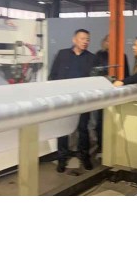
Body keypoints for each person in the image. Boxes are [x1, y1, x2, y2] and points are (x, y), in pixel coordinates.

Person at [48, 28, 96, 173]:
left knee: (83, 128)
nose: (85, 42)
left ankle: (84, 156)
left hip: (83, 100)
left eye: (87, 39)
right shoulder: (62, 54)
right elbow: (53, 75)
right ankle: (62, 158)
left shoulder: (91, 58)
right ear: (74, 40)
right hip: (64, 99)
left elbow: (94, 80)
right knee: (63, 129)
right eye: (82, 38)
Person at [93, 34, 130, 154]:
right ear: (104, 42)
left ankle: (114, 147)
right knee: (100, 121)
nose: (110, 43)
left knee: (115, 119)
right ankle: (101, 146)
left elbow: (126, 75)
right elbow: (94, 73)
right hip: (102, 92)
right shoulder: (99, 55)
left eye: (113, 41)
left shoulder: (122, 56)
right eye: (108, 41)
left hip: (116, 92)